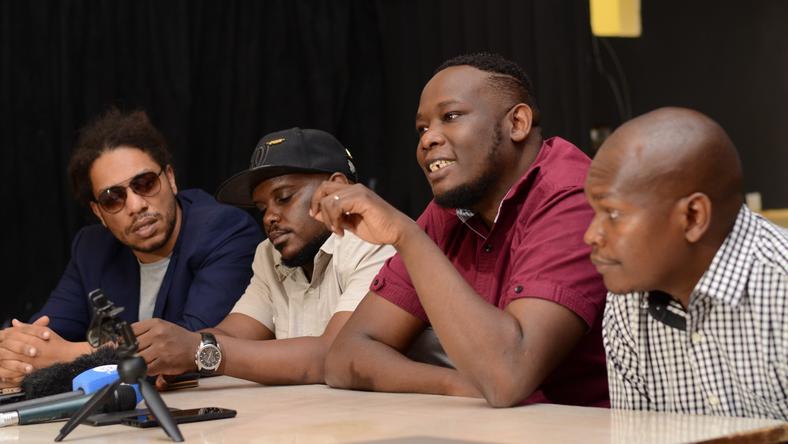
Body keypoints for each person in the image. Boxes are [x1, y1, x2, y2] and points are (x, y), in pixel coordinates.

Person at [315, 53, 609, 407]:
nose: (428, 140)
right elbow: (346, 356)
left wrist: (406, 236)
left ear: (517, 122)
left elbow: (506, 377)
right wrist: (457, 385)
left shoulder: (570, 196)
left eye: (450, 117)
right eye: (422, 128)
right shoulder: (451, 211)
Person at [0, 109, 261, 386]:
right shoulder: (92, 248)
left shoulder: (223, 230)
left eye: (145, 183)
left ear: (170, 179)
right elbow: (44, 335)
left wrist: (68, 354)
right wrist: (18, 350)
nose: (136, 205)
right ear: (99, 212)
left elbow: (190, 345)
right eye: (113, 198)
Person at [130, 127, 395, 385]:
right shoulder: (269, 255)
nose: (269, 217)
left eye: (284, 197)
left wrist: (199, 351)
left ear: (337, 189)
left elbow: (335, 354)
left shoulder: (374, 242)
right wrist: (168, 350)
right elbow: (232, 334)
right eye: (262, 207)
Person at [584, 107, 788, 420]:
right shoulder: (625, 303)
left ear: (693, 217)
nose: (591, 235)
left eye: (613, 213)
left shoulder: (780, 287)